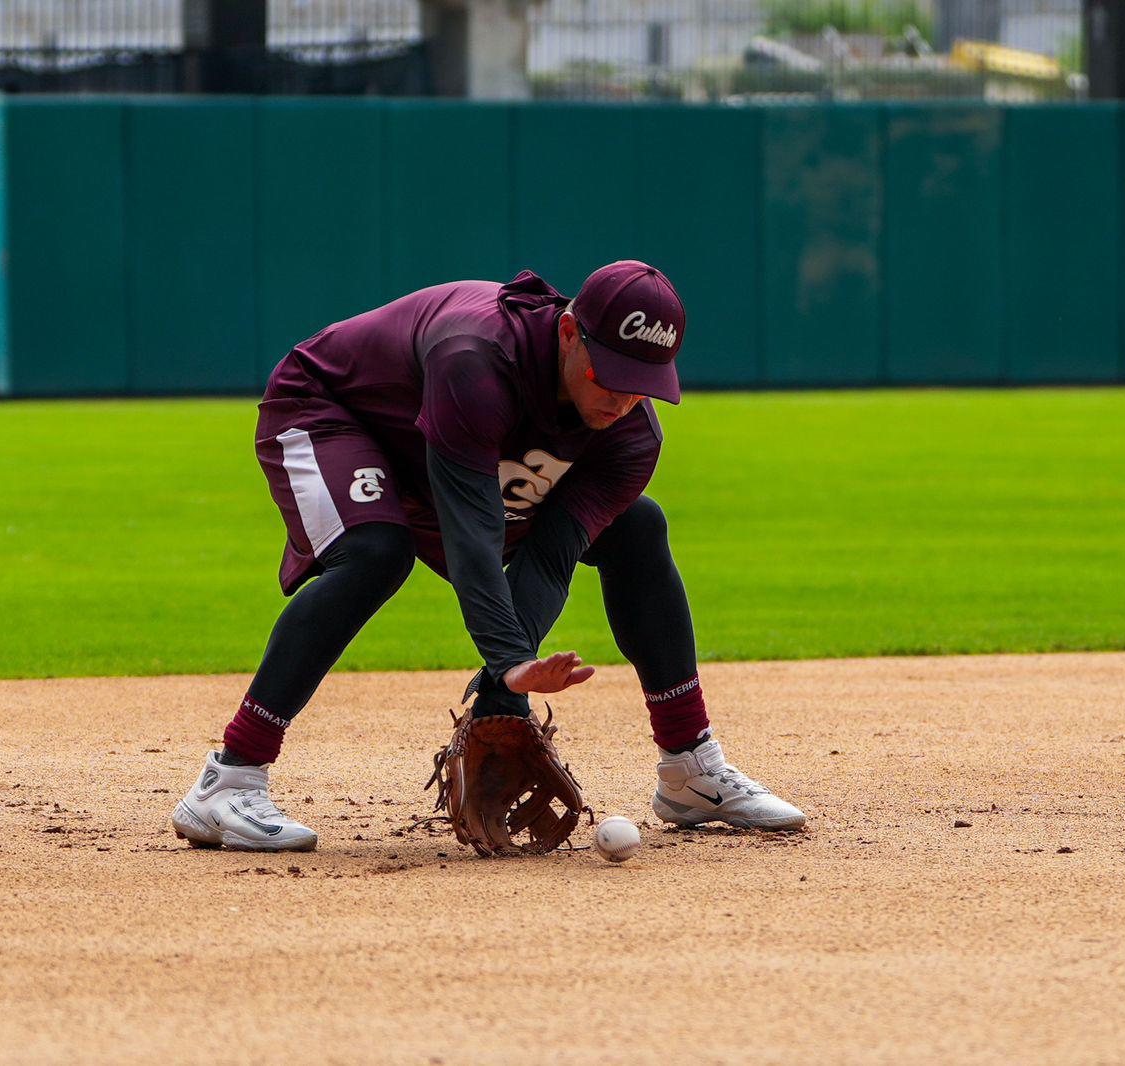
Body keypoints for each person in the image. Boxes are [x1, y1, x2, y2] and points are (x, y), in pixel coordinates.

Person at [171, 261, 807, 853]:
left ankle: (690, 768)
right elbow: (472, 532)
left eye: (641, 386)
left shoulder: (629, 438)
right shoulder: (476, 357)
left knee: (637, 526)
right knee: (376, 552)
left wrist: (506, 690)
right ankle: (230, 780)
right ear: (567, 333)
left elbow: (554, 553)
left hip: (451, 453)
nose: (620, 400)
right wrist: (507, 663)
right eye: (608, 374)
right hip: (332, 411)